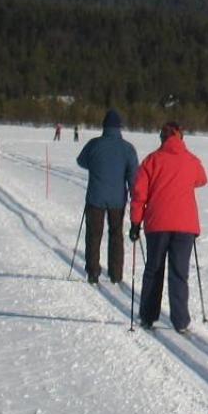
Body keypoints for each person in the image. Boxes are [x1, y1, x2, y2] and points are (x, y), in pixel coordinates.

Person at [130, 122, 207, 332]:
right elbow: (202, 179)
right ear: (181, 137)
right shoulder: (191, 160)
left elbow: (139, 195)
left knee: (154, 270)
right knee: (179, 272)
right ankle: (181, 321)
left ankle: (147, 316)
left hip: (157, 224)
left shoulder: (151, 161)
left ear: (162, 138)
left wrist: (135, 222)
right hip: (185, 226)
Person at [75, 109, 139, 285]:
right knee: (116, 235)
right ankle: (116, 274)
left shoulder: (94, 144)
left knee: (94, 235)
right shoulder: (128, 149)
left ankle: (93, 272)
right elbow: (133, 178)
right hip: (117, 200)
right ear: (119, 127)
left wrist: (96, 165)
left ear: (104, 126)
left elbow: (81, 161)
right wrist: (136, 200)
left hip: (95, 197)